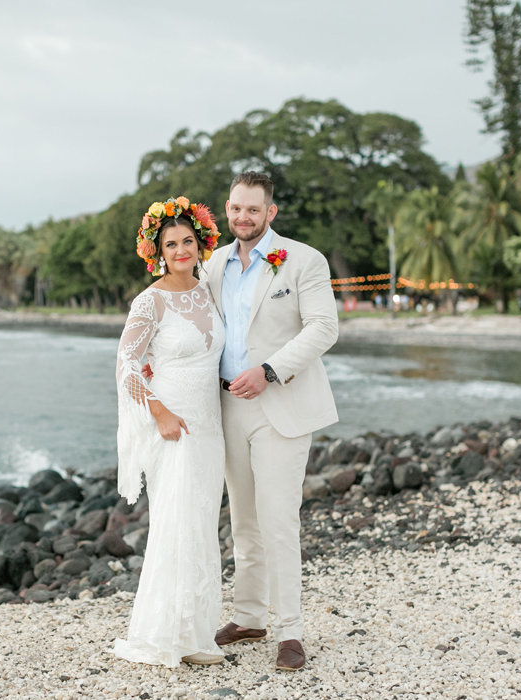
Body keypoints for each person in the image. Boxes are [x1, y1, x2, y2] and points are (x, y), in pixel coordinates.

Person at [201, 171, 339, 672]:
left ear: (270, 213)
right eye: (236, 208)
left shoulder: (303, 259)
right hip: (227, 407)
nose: (243, 217)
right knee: (244, 521)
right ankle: (249, 616)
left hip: (281, 404)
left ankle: (290, 632)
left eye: (253, 210)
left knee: (279, 520)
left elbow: (325, 327)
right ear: (228, 208)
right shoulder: (213, 263)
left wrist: (270, 370)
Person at [111, 196, 227, 667]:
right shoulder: (151, 300)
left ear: (201, 244)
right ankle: (165, 636)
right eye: (170, 244)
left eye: (187, 241)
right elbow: (125, 364)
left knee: (200, 524)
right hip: (173, 428)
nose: (181, 250)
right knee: (176, 525)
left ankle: (197, 633)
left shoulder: (206, 291)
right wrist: (158, 411)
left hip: (211, 426)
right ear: (157, 251)